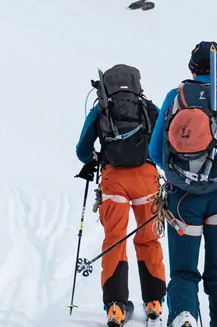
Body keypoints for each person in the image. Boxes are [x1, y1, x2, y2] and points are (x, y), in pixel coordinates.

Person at [149, 42, 217, 327]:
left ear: (192, 67)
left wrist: (183, 173)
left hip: (182, 199)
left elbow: (156, 151)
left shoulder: (174, 97)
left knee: (183, 273)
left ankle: (183, 317)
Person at [76, 63, 167, 327]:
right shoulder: (146, 107)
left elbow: (82, 149)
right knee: (148, 239)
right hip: (146, 180)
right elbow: (162, 141)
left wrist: (95, 156)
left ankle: (115, 307)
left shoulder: (102, 108)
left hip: (113, 180)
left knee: (115, 239)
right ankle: (154, 302)